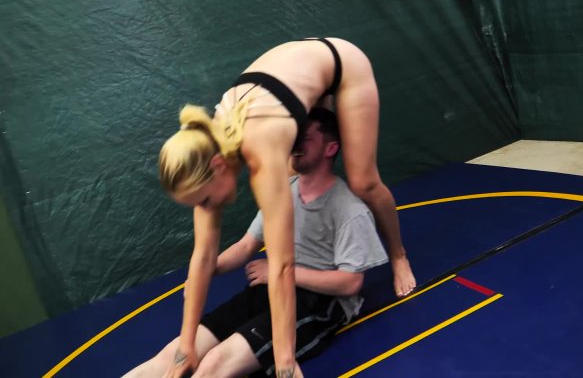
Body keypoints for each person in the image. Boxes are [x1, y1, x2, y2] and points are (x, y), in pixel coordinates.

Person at [156, 38, 415, 377]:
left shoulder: (262, 153)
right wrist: (185, 347)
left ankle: (398, 255)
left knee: (363, 181)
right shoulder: (203, 152)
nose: (206, 209)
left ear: (218, 165)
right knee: (293, 178)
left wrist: (286, 364)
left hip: (340, 64)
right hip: (285, 82)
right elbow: (203, 256)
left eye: (204, 201)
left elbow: (281, 268)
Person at [127, 108, 388, 377]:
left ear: (330, 148)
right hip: (269, 288)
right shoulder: (281, 191)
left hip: (318, 304)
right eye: (295, 137)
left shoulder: (349, 209)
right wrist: (205, 271)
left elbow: (351, 283)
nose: (296, 144)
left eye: (306, 138)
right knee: (172, 355)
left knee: (214, 364)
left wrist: (278, 272)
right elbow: (245, 246)